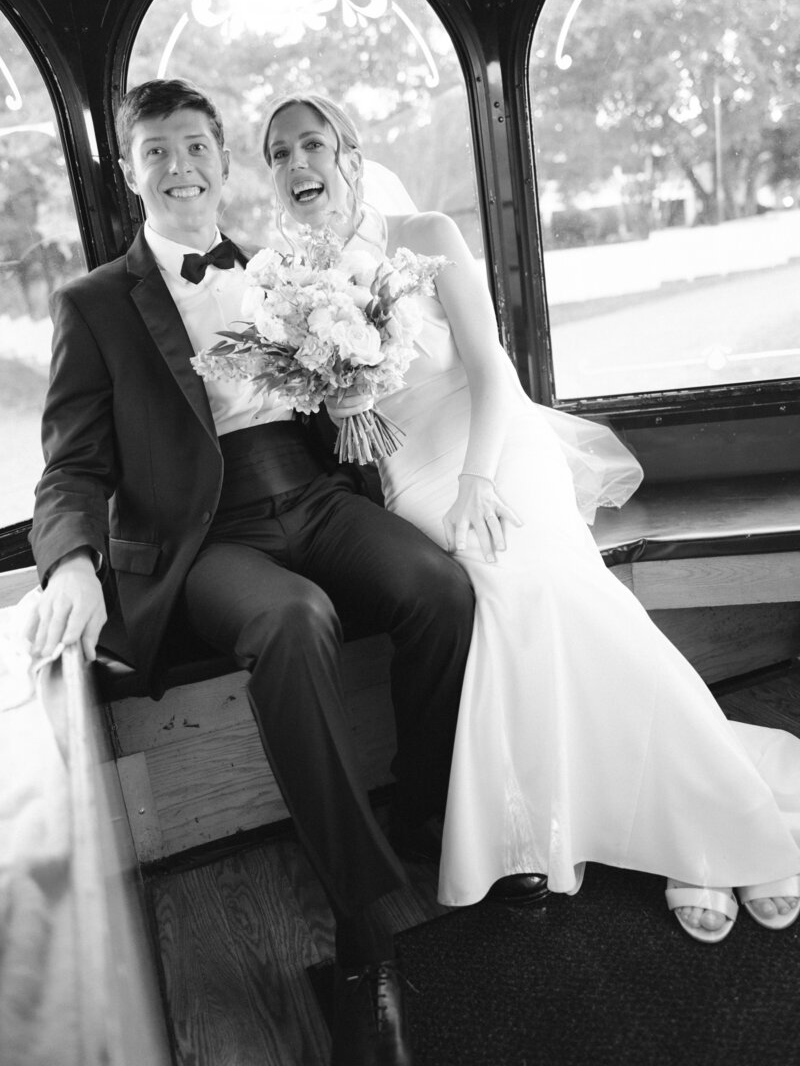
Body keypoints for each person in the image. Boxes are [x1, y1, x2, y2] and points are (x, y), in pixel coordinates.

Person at [262, 92, 800, 946]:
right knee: (505, 610)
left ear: (351, 157)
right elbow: (329, 422)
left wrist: (480, 477)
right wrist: (340, 393)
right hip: (411, 482)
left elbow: (493, 373)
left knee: (548, 585)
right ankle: (583, 809)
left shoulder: (425, 236)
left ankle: (713, 823)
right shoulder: (289, 283)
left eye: (313, 145)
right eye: (279, 152)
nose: (297, 164)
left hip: (493, 449)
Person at [27, 78, 480, 1066]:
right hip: (208, 538)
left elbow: (336, 382)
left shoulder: (277, 268)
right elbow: (68, 466)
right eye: (158, 151)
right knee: (291, 621)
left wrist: (353, 390)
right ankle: (364, 933)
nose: (180, 167)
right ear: (128, 168)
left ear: (221, 159)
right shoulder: (94, 303)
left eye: (197, 146)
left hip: (314, 498)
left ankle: (425, 807)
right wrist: (65, 564)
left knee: (442, 589)